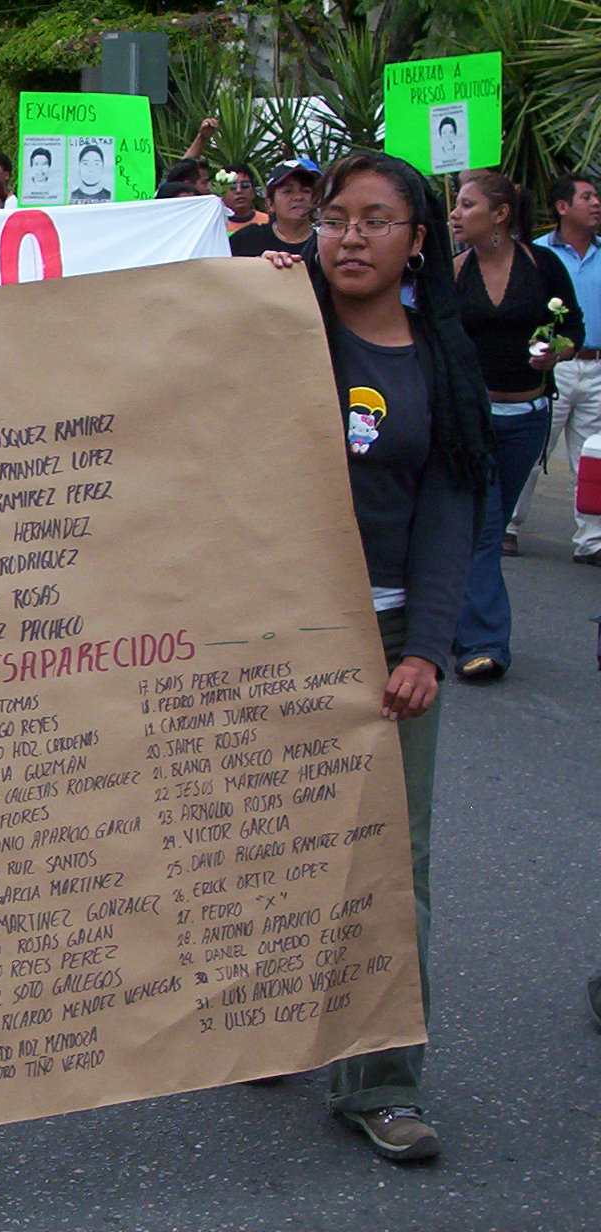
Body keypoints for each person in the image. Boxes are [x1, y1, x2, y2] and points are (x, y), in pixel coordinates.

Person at [263, 151, 490, 1163]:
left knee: (391, 867)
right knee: (277, 842)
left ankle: (382, 1080)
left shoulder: (438, 362)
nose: (348, 235)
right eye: (334, 217)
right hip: (276, 635)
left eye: (373, 218)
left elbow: (451, 513)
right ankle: (272, 1018)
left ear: (418, 241)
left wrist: (428, 649)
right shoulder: (275, 329)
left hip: (389, 641)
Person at [448, 171, 581, 680]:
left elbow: (572, 327)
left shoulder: (542, 265)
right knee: (486, 528)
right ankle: (484, 644)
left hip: (528, 419)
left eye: (468, 205)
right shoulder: (455, 270)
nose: (456, 214)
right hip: (471, 419)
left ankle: (449, 618)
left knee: (485, 525)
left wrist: (556, 353)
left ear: (500, 214)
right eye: (457, 204)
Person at [507, 174, 601, 564]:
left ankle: (593, 541)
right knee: (534, 449)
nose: (596, 203)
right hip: (552, 366)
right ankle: (507, 526)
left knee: (593, 456)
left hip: (597, 366)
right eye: (587, 197)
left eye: (596, 197)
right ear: (562, 207)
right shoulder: (538, 255)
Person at [230, 159, 318, 257]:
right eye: (288, 191)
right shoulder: (247, 238)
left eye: (306, 191)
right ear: (270, 203)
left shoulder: (323, 241)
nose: (298, 197)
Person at [219, 163, 267, 232]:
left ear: (253, 191)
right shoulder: (215, 226)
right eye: (232, 186)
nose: (239, 190)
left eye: (245, 185)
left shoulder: (268, 223)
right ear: (222, 193)